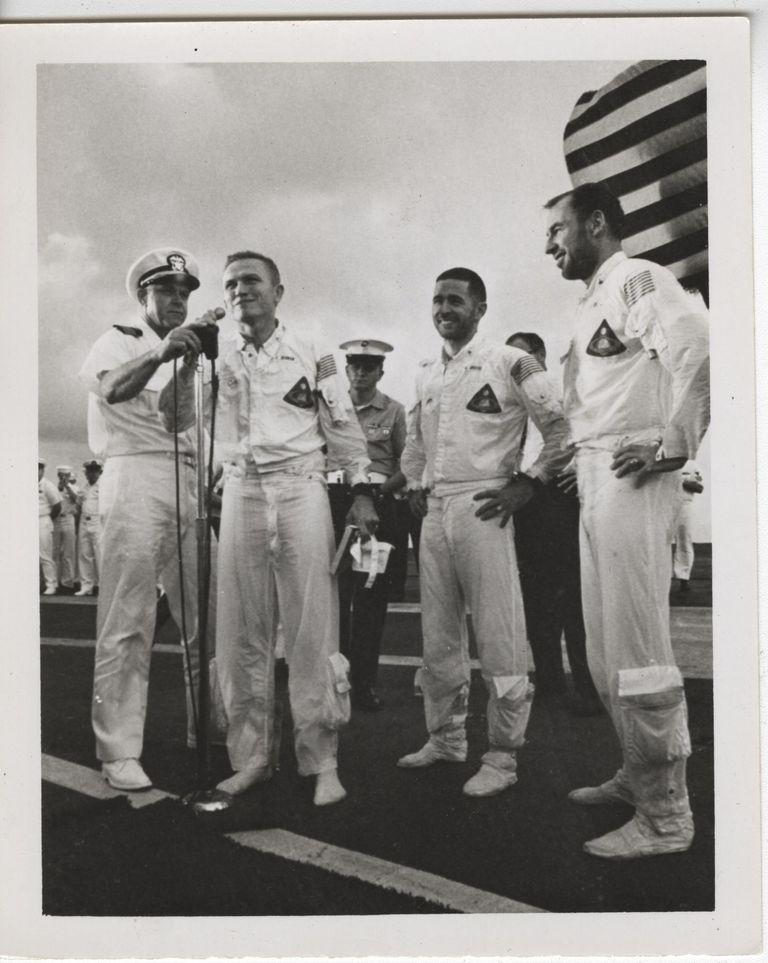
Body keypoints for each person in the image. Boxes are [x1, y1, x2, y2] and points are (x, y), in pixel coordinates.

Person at [544, 182, 709, 858]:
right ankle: (638, 775)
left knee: (639, 650)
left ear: (597, 223)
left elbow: (697, 347)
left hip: (634, 474)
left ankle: (667, 815)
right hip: (597, 473)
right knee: (604, 649)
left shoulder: (636, 278)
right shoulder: (593, 302)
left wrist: (671, 445)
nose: (550, 245)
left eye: (558, 230)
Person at [188, 251, 378, 806]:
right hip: (243, 488)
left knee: (311, 629)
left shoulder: (314, 350)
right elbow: (187, 420)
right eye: (230, 285)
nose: (240, 290)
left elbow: (342, 426)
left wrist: (362, 492)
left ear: (279, 291)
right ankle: (250, 759)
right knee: (241, 631)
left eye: (252, 281)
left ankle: (321, 761)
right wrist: (188, 348)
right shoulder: (216, 355)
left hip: (301, 485)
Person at [398, 267, 570, 797]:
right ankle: (446, 737)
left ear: (480, 308)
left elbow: (561, 428)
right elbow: (417, 447)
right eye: (436, 301)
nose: (443, 309)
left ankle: (502, 754)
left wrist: (529, 484)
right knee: (440, 637)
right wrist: (411, 483)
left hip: (487, 505)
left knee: (500, 635)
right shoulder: (427, 372)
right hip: (436, 511)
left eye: (455, 300)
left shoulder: (509, 361)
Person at [78, 247, 220, 792]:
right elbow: (112, 387)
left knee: (204, 615)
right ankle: (117, 750)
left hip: (186, 478)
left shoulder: (189, 348)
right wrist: (163, 354)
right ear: (143, 295)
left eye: (185, 292)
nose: (178, 300)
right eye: (166, 291)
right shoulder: (117, 338)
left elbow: (177, 417)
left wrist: (184, 362)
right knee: (128, 618)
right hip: (133, 474)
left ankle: (208, 727)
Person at [506, 331, 601, 716]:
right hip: (524, 504)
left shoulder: (566, 395)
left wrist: (580, 469)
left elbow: (588, 437)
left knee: (574, 599)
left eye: (524, 357)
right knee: (534, 598)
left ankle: (589, 686)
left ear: (541, 358)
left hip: (560, 501)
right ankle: (549, 683)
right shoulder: (511, 407)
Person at [326, 338, 406, 711]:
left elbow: (407, 463)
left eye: (369, 367)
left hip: (377, 507)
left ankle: (364, 684)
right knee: (333, 598)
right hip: (334, 502)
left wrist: (379, 495)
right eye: (355, 365)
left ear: (380, 372)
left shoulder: (393, 411)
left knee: (370, 596)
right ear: (346, 369)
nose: (361, 372)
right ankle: (336, 681)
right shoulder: (331, 407)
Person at [673, 460, 704, 592]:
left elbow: (699, 487)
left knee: (684, 541)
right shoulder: (663, 464)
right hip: (664, 505)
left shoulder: (692, 466)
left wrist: (681, 482)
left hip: (683, 505)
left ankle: (683, 580)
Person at [75, 459, 103, 596]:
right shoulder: (84, 487)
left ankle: (104, 587)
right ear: (86, 473)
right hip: (84, 521)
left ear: (100, 472)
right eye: (89, 471)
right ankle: (87, 586)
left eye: (94, 471)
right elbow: (78, 504)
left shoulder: (103, 486)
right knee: (85, 554)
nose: (92, 473)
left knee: (100, 555)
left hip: (98, 522)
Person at [52, 465, 80, 593]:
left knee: (68, 553)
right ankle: (54, 582)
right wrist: (60, 488)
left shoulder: (74, 488)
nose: (64, 477)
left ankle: (67, 583)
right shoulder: (53, 488)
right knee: (55, 552)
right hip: (56, 520)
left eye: (66, 475)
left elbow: (77, 501)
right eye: (61, 475)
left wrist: (67, 487)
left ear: (69, 476)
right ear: (58, 476)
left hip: (69, 519)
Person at [38, 459, 61, 595]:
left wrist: (48, 519)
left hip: (43, 520)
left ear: (42, 470)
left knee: (45, 554)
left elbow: (57, 506)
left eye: (38, 469)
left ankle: (51, 584)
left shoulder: (48, 485)